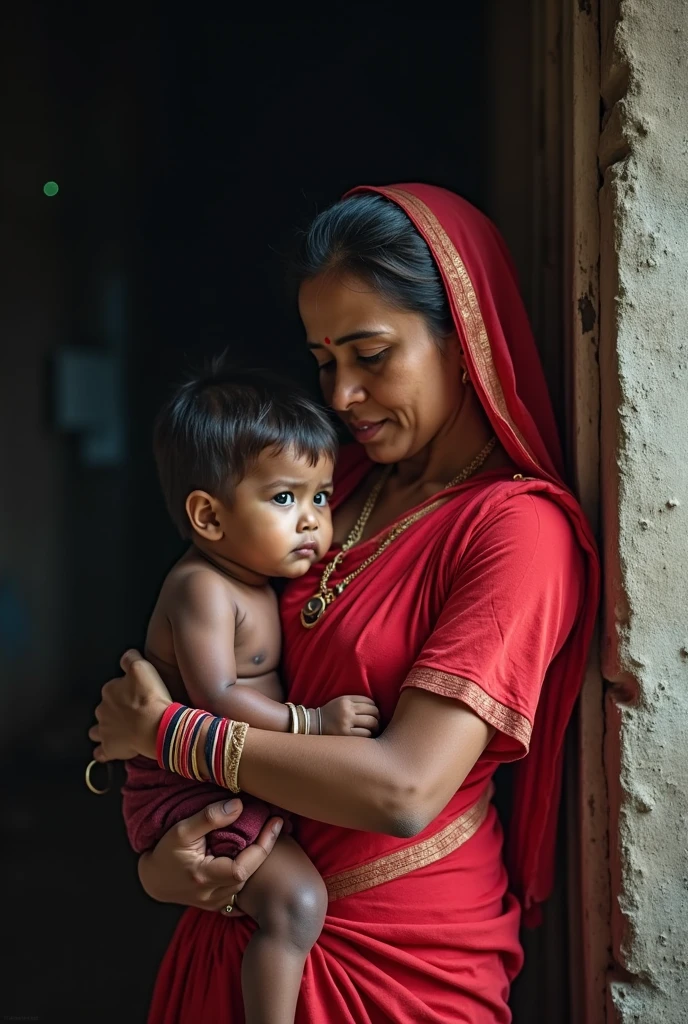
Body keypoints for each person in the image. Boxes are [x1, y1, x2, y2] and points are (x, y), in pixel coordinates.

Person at [90, 183, 600, 1024]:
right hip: (253, 914)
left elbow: (404, 791)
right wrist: (164, 866)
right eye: (326, 362)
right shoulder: (335, 491)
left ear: (462, 332)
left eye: (371, 355)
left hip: (398, 953)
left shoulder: (516, 532)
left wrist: (174, 737)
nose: (340, 397)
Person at [119, 365, 381, 1024]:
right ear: (208, 515)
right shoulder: (202, 588)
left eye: (321, 499)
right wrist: (313, 722)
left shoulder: (257, 575)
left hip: (229, 770)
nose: (312, 524)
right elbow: (216, 697)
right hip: (188, 788)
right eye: (285, 499)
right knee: (297, 904)